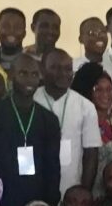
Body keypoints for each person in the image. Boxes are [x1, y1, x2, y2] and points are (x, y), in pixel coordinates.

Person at [0, 55, 61, 206]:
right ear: (11, 76)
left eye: (34, 74)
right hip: (3, 198)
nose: (29, 79)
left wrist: (50, 204)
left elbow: (53, 166)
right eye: (23, 73)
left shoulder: (48, 119)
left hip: (37, 198)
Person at [36, 49, 101, 194]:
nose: (63, 73)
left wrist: (84, 192)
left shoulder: (85, 106)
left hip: (71, 189)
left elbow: (91, 154)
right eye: (55, 68)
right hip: (34, 187)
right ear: (42, 70)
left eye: (68, 69)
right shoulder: (32, 100)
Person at [71, 63, 112, 191]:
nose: (105, 94)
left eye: (109, 89)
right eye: (98, 90)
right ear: (87, 91)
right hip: (85, 191)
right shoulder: (77, 126)